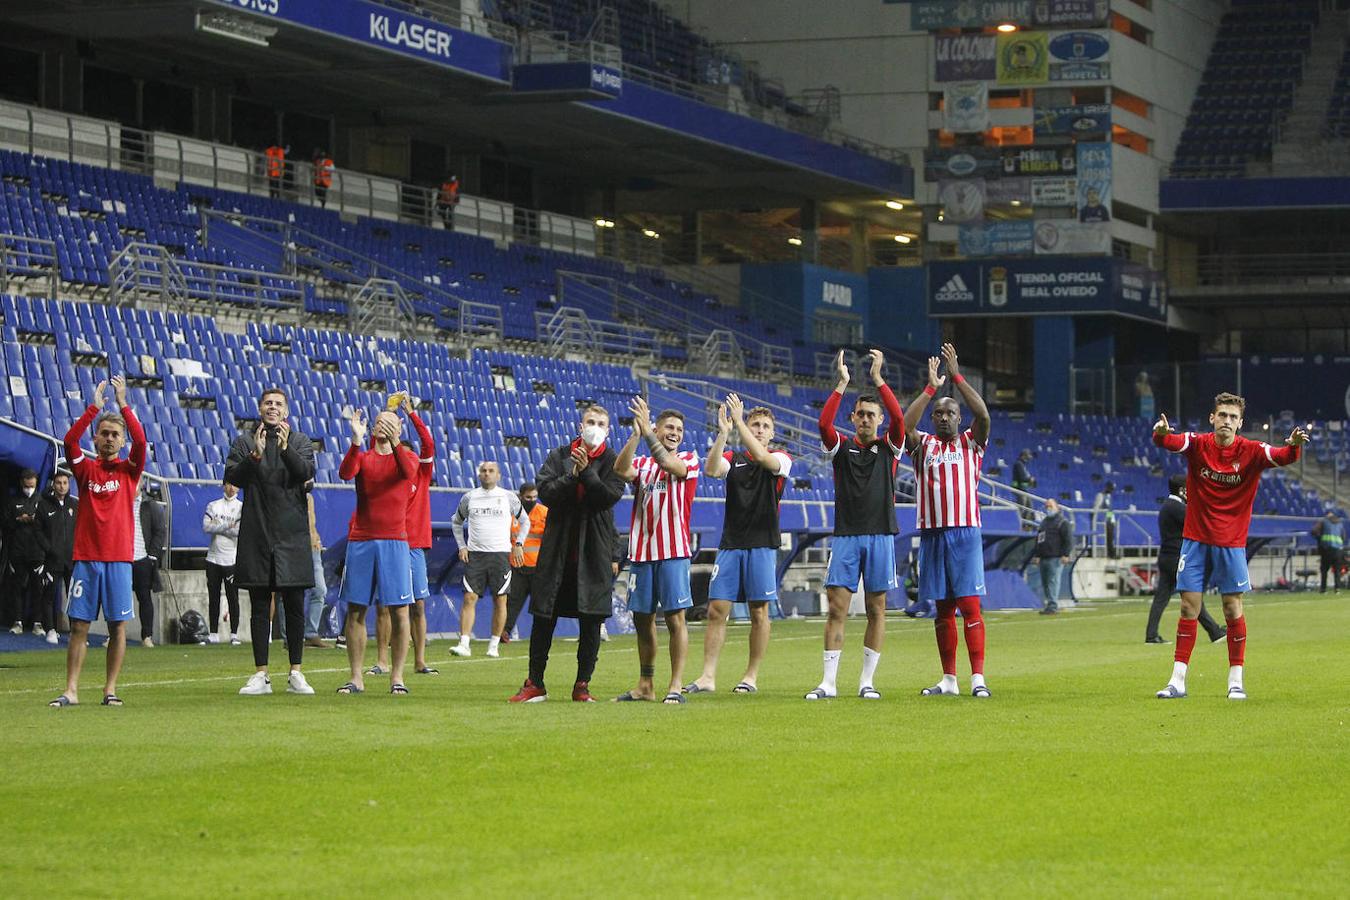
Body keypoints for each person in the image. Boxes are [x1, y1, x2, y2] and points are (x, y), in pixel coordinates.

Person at [1151, 394, 1308, 700]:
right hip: (1195, 539)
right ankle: (1177, 680)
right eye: (1222, 415)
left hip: (1230, 542)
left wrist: (1295, 445)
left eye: (1232, 417)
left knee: (1231, 607)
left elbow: (1283, 455)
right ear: (1212, 418)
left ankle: (1235, 680)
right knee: (1187, 606)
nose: (1226, 420)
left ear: (1240, 422)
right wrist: (1160, 433)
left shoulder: (1251, 451)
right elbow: (1169, 442)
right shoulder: (1199, 444)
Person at [508, 404, 625, 703]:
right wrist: (572, 474)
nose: (595, 427)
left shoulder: (613, 460)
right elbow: (545, 493)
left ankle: (582, 685)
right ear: (579, 425)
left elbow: (607, 497)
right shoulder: (559, 456)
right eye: (590, 421)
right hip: (557, 550)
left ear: (608, 430)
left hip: (594, 553)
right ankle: (535, 682)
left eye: (601, 423)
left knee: (591, 621)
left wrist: (586, 473)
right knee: (543, 617)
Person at [806, 348, 904, 701]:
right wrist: (843, 383)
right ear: (853, 418)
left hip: (880, 536)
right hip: (846, 537)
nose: (865, 419)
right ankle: (828, 683)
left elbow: (900, 419)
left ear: (878, 420)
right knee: (837, 608)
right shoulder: (841, 448)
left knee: (877, 609)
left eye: (871, 415)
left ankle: (867, 682)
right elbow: (823, 424)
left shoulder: (890, 448)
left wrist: (878, 380)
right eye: (860, 414)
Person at [683, 395, 791, 696]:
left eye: (764, 426)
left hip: (762, 544)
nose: (758, 429)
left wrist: (740, 422)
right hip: (731, 543)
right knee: (717, 610)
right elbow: (712, 469)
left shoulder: (782, 459)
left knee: (759, 612)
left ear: (772, 433)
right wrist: (722, 433)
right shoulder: (734, 458)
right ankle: (707, 676)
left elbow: (765, 459)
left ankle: (751, 676)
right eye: (755, 424)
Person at [903, 344, 993, 699]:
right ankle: (949, 679)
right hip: (932, 534)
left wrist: (957, 378)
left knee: (970, 605)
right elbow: (903, 425)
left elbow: (983, 416)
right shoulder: (922, 445)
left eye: (950, 412)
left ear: (959, 418)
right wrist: (930, 389)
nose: (943, 417)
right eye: (938, 413)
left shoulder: (972, 443)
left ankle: (978, 678)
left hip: (965, 532)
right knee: (942, 610)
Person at [49, 376, 144, 707]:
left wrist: (123, 404)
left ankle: (110, 689)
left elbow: (142, 443)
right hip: (87, 557)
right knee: (79, 626)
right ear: (96, 437)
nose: (109, 438)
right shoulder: (85, 471)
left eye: (115, 434)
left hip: (118, 558)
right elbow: (69, 441)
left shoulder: (130, 471)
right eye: (104, 433)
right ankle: (71, 690)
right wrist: (95, 408)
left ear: (121, 441)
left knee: (118, 627)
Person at [225, 388, 317, 697]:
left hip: (292, 534)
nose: (272, 407)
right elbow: (233, 478)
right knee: (260, 606)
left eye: (278, 404)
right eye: (268, 403)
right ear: (260, 408)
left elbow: (305, 472)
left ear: (286, 411)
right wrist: (255, 455)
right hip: (258, 533)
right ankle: (261, 674)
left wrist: (286, 447)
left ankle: (296, 673)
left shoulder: (301, 441)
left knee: (294, 605)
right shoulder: (244, 442)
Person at [612, 398, 701, 705]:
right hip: (642, 552)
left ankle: (675, 686)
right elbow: (620, 469)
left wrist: (649, 436)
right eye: (669, 427)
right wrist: (637, 434)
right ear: (657, 429)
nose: (674, 432)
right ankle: (646, 684)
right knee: (642, 620)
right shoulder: (643, 464)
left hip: (674, 551)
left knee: (676, 619)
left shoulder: (689, 459)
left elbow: (668, 463)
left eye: (679, 429)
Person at [336, 409, 418, 694]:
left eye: (390, 421)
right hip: (361, 540)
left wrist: (396, 442)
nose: (383, 425)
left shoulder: (406, 456)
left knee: (400, 611)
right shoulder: (364, 456)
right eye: (379, 421)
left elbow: (409, 474)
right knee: (356, 609)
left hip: (395, 541)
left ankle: (397, 677)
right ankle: (356, 676)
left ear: (400, 427)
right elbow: (345, 472)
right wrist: (356, 441)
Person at [450, 460, 529, 659]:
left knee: (500, 600)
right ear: (479, 474)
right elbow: (456, 521)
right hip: (476, 555)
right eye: (483, 470)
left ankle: (494, 644)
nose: (487, 473)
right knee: (469, 597)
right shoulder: (470, 497)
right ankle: (464, 643)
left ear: (499, 475)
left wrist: (518, 544)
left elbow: (524, 521)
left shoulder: (508, 497)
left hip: (500, 555)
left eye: (491, 471)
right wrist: (462, 546)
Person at [1145, 475, 1225, 644]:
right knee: (1192, 594)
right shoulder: (1176, 507)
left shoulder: (1168, 506)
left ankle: (1151, 635)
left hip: (1166, 557)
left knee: (1162, 597)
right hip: (1176, 558)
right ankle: (1214, 632)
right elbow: (1198, 521)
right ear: (1181, 490)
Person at [3, 468, 48, 638]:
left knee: (38, 588)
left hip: (37, 552)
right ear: (22, 482)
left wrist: (34, 520)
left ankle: (37, 623)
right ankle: (17, 621)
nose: (29, 487)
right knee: (17, 588)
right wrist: (18, 520)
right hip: (18, 552)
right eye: (26, 484)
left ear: (36, 482)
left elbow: (49, 525)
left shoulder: (42, 500)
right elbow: (6, 523)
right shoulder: (13, 501)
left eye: (32, 483)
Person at [501, 482, 546, 644]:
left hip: (538, 567)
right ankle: (505, 631)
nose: (532, 500)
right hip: (516, 565)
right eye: (528, 497)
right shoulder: (511, 513)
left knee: (541, 604)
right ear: (521, 496)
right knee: (512, 601)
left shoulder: (544, 513)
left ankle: (541, 634)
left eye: (535, 497)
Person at [39, 470, 78, 644]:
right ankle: (51, 629)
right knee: (49, 596)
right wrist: (49, 549)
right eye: (59, 483)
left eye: (65, 483)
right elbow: (37, 532)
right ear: (53, 485)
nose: (62, 486)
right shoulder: (44, 505)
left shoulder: (74, 505)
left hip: (71, 560)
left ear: (69, 485)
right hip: (52, 560)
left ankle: (74, 633)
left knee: (74, 598)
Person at [203, 481, 243, 644]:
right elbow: (206, 527)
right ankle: (213, 633)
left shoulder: (241, 507)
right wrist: (228, 525)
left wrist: (218, 525)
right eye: (229, 484)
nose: (232, 488)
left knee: (233, 597)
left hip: (231, 559)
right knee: (214, 597)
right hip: (213, 558)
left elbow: (239, 532)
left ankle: (234, 634)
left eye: (235, 485)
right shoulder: (213, 505)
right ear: (223, 486)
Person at [130, 482, 166, 647]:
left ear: (141, 484)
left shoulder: (150, 505)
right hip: (123, 558)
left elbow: (159, 531)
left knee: (144, 597)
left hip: (143, 558)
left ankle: (147, 636)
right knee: (117, 599)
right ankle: (114, 635)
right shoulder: (120, 503)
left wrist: (153, 555)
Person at [1033, 498, 1074, 615]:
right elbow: (1039, 539)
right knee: (1046, 582)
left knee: (1053, 581)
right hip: (1044, 556)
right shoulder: (1044, 522)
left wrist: (1065, 554)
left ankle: (1052, 605)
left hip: (1056, 557)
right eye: (1047, 506)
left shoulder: (1062, 522)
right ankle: (1049, 604)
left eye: (1050, 506)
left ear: (1057, 507)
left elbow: (1068, 540)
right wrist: (1037, 554)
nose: (1048, 509)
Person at [301, 492, 329, 649]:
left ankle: (311, 633)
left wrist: (315, 536)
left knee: (320, 590)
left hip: (313, 547)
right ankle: (288, 636)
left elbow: (311, 521)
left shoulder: (309, 497)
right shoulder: (285, 492)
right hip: (295, 548)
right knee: (291, 592)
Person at [1312, 511, 1345, 593]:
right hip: (1338, 549)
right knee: (1337, 570)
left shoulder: (1323, 521)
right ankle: (1337, 589)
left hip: (1326, 549)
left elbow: (1314, 531)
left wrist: (1320, 539)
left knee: (1324, 570)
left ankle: (1323, 589)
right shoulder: (1339, 523)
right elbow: (1343, 536)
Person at [1012, 448, 1035, 528]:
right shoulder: (1019, 464)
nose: (1030, 457)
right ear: (1024, 455)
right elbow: (1023, 477)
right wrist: (1030, 479)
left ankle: (1028, 524)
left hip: (1024, 490)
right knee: (1022, 507)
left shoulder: (1022, 464)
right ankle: (1020, 524)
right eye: (1028, 455)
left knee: (1029, 507)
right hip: (1019, 489)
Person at [1093, 480, 1116, 557]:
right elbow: (1097, 508)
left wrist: (1111, 519)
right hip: (1102, 520)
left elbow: (1110, 509)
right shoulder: (1100, 495)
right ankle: (1110, 553)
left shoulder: (1109, 497)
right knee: (1107, 537)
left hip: (1109, 520)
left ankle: (1111, 553)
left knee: (1111, 537)